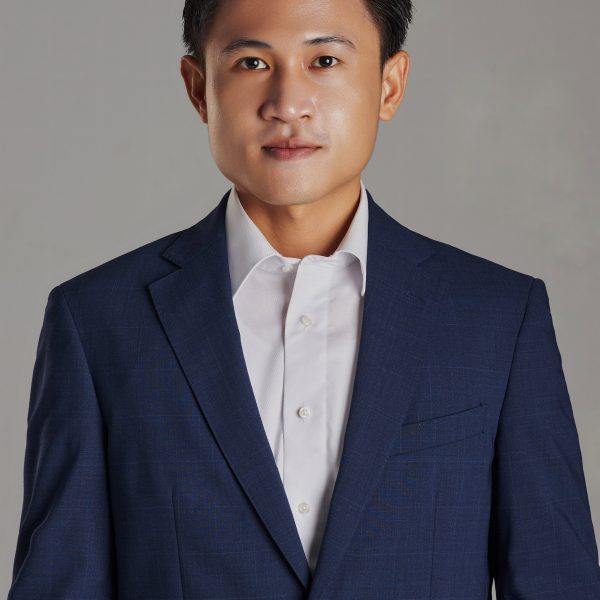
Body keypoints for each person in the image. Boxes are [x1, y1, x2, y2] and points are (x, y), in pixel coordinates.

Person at [8, 0, 600, 598]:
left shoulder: (498, 317)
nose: (288, 104)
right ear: (198, 89)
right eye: (251, 63)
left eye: (324, 60)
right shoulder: (98, 323)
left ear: (389, 85)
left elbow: (557, 580)